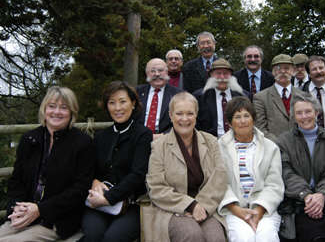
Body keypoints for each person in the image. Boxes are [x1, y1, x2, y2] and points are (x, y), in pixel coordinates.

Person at [0, 86, 95, 241]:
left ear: (72, 112)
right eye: (52, 106)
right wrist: (17, 207)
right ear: (44, 109)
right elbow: (16, 182)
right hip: (24, 215)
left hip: (57, 221)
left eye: (64, 108)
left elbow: (80, 189)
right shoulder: (29, 139)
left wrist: (40, 209)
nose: (56, 112)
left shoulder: (83, 143)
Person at [143, 92, 227, 242]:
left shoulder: (211, 141)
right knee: (191, 235)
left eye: (190, 113)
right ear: (170, 115)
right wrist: (190, 205)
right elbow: (156, 187)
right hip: (172, 209)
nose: (184, 119)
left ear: (196, 115)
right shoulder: (159, 146)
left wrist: (201, 206)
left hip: (206, 206)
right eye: (179, 113)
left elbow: (219, 178)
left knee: (216, 238)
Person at [81, 81, 152, 242]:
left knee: (113, 238)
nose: (117, 108)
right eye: (112, 103)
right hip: (98, 202)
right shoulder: (101, 137)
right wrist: (94, 181)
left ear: (133, 103)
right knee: (93, 235)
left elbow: (138, 174)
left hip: (131, 203)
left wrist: (109, 198)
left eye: (122, 101)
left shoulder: (143, 135)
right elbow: (90, 169)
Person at [276, 91, 325, 242]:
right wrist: (306, 196)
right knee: (310, 232)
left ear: (317, 112)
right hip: (297, 203)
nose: (304, 116)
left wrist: (322, 195)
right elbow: (286, 172)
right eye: (299, 113)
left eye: (308, 111)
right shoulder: (283, 141)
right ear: (294, 116)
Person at [218, 96, 284, 242]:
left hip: (264, 209)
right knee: (243, 237)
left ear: (253, 119)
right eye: (237, 117)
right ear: (229, 123)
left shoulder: (270, 147)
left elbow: (274, 184)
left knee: (267, 236)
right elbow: (219, 183)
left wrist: (258, 211)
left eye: (246, 116)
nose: (243, 121)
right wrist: (237, 210)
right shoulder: (219, 147)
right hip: (233, 209)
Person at [253, 54, 303, 143]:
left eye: (287, 68)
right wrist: (280, 145)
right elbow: (260, 128)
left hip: (300, 147)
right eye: (278, 68)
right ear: (272, 72)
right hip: (274, 149)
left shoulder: (303, 96)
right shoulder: (260, 97)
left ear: (293, 71)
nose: (283, 71)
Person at [194, 58, 248, 137]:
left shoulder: (243, 96)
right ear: (211, 76)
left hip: (239, 139)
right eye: (218, 73)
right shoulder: (199, 97)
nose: (222, 77)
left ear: (231, 75)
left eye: (225, 73)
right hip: (210, 142)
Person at [137, 58, 182, 139]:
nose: (157, 74)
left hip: (167, 139)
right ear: (147, 74)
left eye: (160, 70)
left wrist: (163, 136)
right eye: (153, 71)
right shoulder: (137, 92)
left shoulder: (178, 94)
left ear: (167, 72)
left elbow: (182, 120)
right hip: (139, 139)